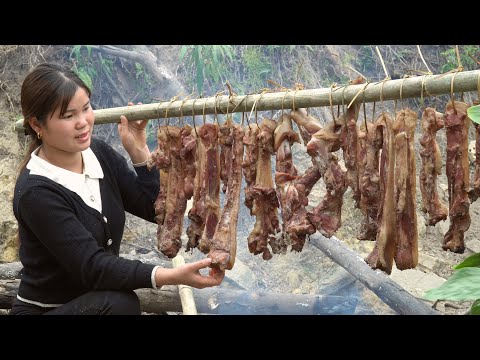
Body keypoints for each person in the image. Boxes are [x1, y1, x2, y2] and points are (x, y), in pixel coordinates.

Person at [9, 63, 224, 315]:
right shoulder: (36, 192)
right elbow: (94, 267)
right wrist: (172, 275)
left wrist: (138, 151)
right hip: (48, 310)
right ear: (37, 124)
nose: (83, 122)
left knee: (119, 301)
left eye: (86, 108)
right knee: (120, 303)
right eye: (69, 116)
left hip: (94, 301)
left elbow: (156, 210)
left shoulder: (97, 153)